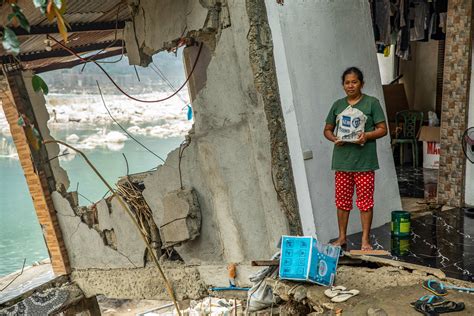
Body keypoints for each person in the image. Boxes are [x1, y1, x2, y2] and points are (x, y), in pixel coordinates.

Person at [323, 67, 387, 251]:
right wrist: (334, 138)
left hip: (364, 162)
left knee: (365, 202)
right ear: (343, 85)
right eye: (347, 82)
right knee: (342, 201)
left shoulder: (372, 103)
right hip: (342, 161)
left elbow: (383, 129)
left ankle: (365, 240)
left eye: (354, 82)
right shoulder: (337, 105)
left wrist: (366, 136)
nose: (350, 85)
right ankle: (342, 237)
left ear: (361, 84)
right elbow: (327, 129)